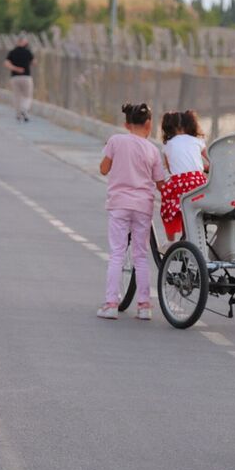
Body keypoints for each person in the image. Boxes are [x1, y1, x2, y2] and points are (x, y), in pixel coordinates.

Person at [98, 103, 166, 321]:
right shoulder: (153, 150)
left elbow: (103, 169)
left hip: (119, 204)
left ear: (126, 123)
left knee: (117, 253)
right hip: (143, 206)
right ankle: (144, 306)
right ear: (149, 124)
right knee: (141, 256)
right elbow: (160, 183)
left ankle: (110, 304)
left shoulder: (116, 141)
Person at [159, 110, 210, 241]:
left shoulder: (168, 145)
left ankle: (170, 242)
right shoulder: (197, 141)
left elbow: (172, 170)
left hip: (179, 186)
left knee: (167, 210)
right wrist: (203, 169)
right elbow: (212, 161)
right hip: (199, 184)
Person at [4, 35, 34, 122]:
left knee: (17, 96)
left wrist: (15, 69)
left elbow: (6, 63)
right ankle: (24, 109)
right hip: (26, 77)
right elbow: (34, 62)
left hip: (15, 77)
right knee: (28, 96)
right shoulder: (28, 52)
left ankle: (18, 114)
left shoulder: (12, 52)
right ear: (24, 42)